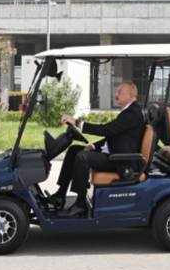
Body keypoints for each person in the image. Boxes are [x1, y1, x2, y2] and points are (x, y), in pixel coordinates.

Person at [54, 82, 147, 218]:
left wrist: (78, 123)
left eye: (119, 92)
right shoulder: (129, 111)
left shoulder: (132, 114)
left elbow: (106, 130)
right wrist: (94, 146)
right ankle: (60, 195)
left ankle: (80, 205)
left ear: (130, 96)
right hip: (116, 154)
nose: (115, 94)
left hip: (122, 161)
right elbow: (113, 135)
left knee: (82, 157)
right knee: (74, 150)